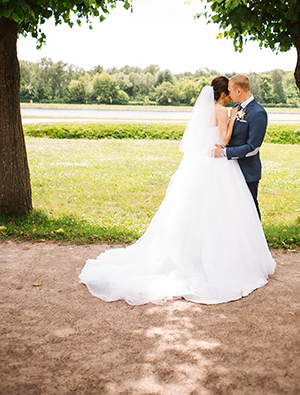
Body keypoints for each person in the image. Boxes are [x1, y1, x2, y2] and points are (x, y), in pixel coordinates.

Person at [79, 77, 275, 305]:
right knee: (221, 212)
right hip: (220, 165)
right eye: (229, 92)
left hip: (225, 165)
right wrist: (230, 123)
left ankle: (237, 257)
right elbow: (224, 138)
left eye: (233, 91)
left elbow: (252, 146)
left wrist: (225, 146)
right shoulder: (227, 111)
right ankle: (216, 259)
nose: (231, 95)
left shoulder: (250, 112)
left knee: (236, 214)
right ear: (226, 94)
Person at [215, 74, 268, 219]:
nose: (228, 95)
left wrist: (224, 152)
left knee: (250, 212)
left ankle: (255, 241)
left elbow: (253, 148)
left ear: (239, 91)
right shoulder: (235, 109)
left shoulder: (258, 113)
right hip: (231, 170)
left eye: (230, 91)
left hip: (247, 172)